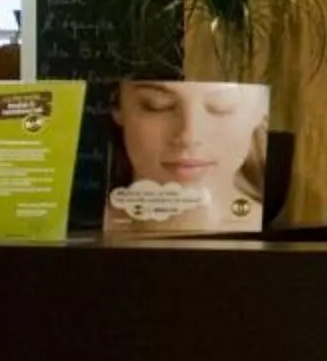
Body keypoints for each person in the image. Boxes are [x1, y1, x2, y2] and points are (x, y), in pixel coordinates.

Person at [105, 79, 270, 240]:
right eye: (156, 105)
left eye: (222, 106)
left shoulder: (277, 231)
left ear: (260, 110)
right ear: (117, 107)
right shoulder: (86, 229)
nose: (189, 137)